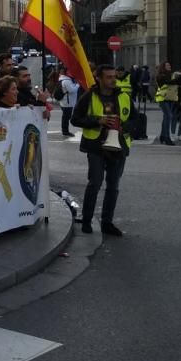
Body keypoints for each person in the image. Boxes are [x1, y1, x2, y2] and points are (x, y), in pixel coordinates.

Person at [70, 65, 137, 236]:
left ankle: (107, 223)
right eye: (108, 77)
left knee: (113, 187)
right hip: (96, 146)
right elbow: (75, 119)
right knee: (95, 184)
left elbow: (136, 119)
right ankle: (86, 220)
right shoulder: (89, 96)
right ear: (99, 78)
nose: (113, 80)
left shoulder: (123, 96)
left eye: (114, 76)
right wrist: (97, 120)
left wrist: (124, 127)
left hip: (119, 147)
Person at [154, 62, 177, 145]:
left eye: (170, 65)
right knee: (169, 116)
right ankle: (167, 138)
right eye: (167, 65)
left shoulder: (169, 75)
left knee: (166, 117)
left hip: (169, 98)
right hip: (163, 98)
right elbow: (170, 82)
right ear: (163, 67)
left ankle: (163, 136)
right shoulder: (161, 76)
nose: (170, 66)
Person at [56, 63, 79, 137]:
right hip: (67, 102)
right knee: (66, 117)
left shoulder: (62, 79)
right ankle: (65, 131)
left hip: (65, 102)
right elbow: (72, 90)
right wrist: (78, 85)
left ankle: (65, 130)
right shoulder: (66, 81)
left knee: (66, 117)